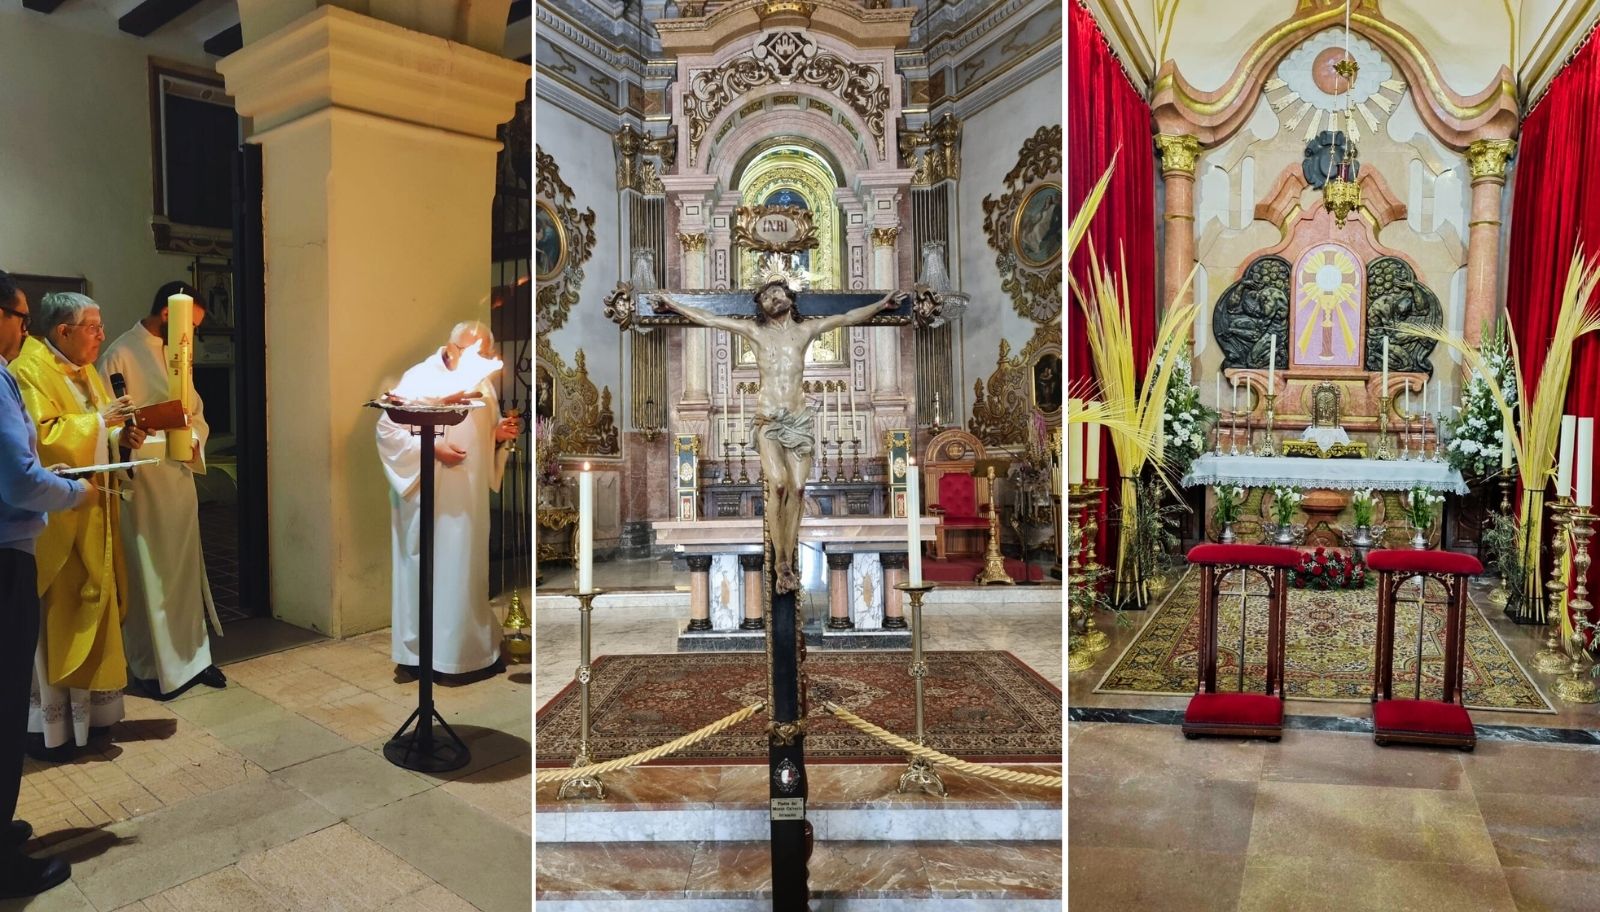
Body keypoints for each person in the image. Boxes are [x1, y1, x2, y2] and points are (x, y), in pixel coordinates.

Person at [655, 281, 893, 592]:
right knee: (778, 484)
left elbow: (848, 317)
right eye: (766, 296)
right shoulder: (756, 333)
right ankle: (781, 561)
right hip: (767, 418)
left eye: (777, 292)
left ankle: (787, 554)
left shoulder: (806, 331)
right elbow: (710, 319)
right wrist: (674, 305)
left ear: (790, 299)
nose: (772, 298)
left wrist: (881, 304)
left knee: (797, 487)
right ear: (761, 306)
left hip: (798, 420)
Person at [11, 292, 143, 761]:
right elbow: (39, 443)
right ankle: (49, 730)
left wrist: (119, 436)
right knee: (55, 621)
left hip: (93, 511)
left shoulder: (85, 370)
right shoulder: (28, 371)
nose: (102, 336)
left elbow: (96, 429)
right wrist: (97, 424)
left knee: (94, 609)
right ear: (62, 331)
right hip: (56, 521)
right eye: (93, 327)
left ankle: (92, 719)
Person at [0, 272, 93, 897]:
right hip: (6, 555)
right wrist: (75, 490)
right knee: (6, 709)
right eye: (19, 315)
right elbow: (19, 477)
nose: (23, 328)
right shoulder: (7, 376)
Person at [98, 282, 225, 701]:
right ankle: (152, 667)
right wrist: (128, 435)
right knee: (148, 575)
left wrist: (194, 440)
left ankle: (194, 658)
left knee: (185, 573)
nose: (193, 337)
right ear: (169, 315)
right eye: (191, 326)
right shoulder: (120, 352)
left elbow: (197, 413)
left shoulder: (179, 355)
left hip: (178, 478)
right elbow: (107, 421)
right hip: (145, 484)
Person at [376, 322, 521, 679]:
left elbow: (484, 428)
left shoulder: (481, 381)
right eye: (478, 353)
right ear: (453, 347)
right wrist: (434, 447)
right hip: (430, 494)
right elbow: (387, 428)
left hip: (468, 500)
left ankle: (463, 654)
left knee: (465, 571)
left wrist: (498, 433)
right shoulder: (420, 376)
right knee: (425, 569)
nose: (484, 360)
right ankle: (417, 657)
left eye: (486, 354)